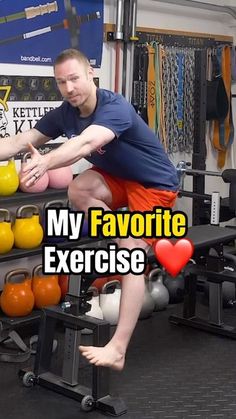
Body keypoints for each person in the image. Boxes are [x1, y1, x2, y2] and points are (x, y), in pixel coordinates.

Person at [0, 48, 179, 371]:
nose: (69, 88)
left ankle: (119, 348)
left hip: (155, 186)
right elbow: (18, 141)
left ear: (90, 75)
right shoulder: (65, 113)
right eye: (61, 82)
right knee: (78, 188)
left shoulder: (115, 108)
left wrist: (46, 161)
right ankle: (121, 231)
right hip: (119, 180)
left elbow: (85, 143)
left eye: (74, 79)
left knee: (130, 255)